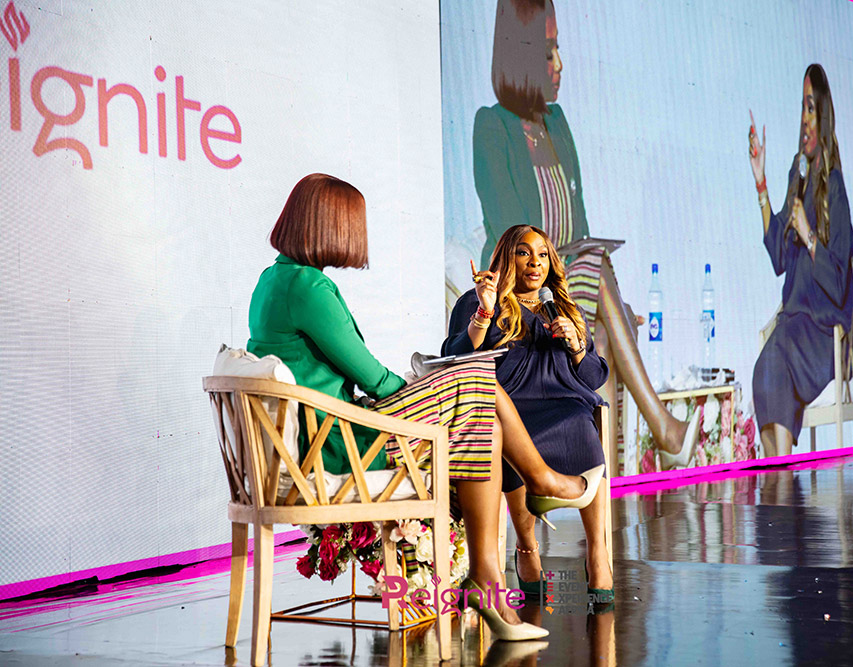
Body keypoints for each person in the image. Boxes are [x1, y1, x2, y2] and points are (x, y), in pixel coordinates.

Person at [247, 174, 604, 640]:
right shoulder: (308, 288)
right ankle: (535, 493)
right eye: (352, 225)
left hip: (327, 432)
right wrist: (421, 386)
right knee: (476, 381)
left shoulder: (274, 280)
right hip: (338, 444)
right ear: (327, 225)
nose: (357, 238)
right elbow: (372, 377)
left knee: (479, 398)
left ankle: (494, 564)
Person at [473, 0, 700, 465]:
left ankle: (601, 478)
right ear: (521, 53)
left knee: (598, 325)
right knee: (594, 290)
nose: (559, 65)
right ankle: (660, 429)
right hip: (522, 294)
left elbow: (581, 228)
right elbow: (513, 237)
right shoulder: (491, 127)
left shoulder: (557, 124)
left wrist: (607, 300)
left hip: (566, 285)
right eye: (548, 52)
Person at [442, 225, 611, 602]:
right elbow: (455, 357)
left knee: (581, 425)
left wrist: (576, 344)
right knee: (507, 439)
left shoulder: (566, 308)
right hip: (507, 404)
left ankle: (598, 554)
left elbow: (594, 377)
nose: (535, 262)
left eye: (542, 255)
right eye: (523, 253)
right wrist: (484, 312)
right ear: (507, 258)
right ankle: (526, 547)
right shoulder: (477, 300)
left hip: (564, 401)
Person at [747, 64, 853, 458]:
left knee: (775, 358)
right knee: (764, 369)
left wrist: (809, 235)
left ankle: (779, 480)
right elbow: (779, 256)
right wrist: (761, 182)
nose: (804, 120)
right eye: (802, 109)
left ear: (823, 116)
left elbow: (840, 283)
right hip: (793, 326)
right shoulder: (798, 176)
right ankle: (780, 476)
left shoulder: (835, 187)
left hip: (823, 334)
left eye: (811, 108)